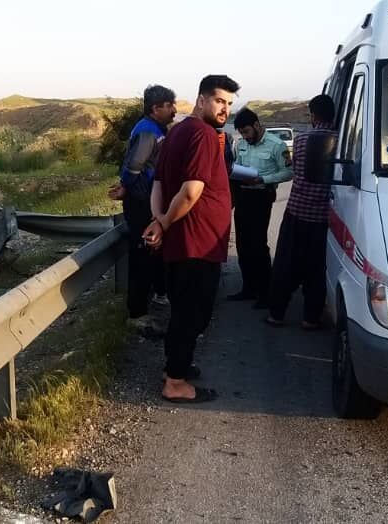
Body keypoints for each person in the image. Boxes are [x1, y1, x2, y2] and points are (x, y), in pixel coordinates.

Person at [143, 74, 239, 403]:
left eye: (229, 103)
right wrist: (166, 223)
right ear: (201, 100)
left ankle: (175, 366)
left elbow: (157, 185)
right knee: (192, 315)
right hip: (197, 244)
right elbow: (191, 190)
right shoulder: (203, 135)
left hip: (182, 242)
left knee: (183, 311)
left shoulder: (176, 132)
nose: (225, 109)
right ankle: (175, 382)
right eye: (219, 101)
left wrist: (158, 221)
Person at [108, 85, 177, 334]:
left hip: (148, 200)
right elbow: (135, 165)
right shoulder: (148, 131)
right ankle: (137, 314)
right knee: (142, 256)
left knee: (153, 253)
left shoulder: (156, 128)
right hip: (141, 203)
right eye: (169, 105)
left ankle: (158, 295)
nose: (174, 110)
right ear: (155, 108)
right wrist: (127, 188)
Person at [266, 94, 338, 330]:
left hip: (297, 212)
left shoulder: (302, 139)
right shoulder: (342, 141)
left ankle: (276, 314)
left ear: (313, 115)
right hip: (323, 218)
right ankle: (311, 318)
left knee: (286, 265)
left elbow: (297, 171)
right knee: (317, 268)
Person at [228, 107, 292, 308]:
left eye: (247, 131)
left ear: (256, 125)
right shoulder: (241, 144)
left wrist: (263, 179)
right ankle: (248, 288)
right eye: (242, 133)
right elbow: (237, 164)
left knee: (257, 245)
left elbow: (288, 173)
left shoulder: (277, 145)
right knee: (242, 244)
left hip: (262, 197)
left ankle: (265, 293)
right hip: (243, 196)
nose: (245, 136)